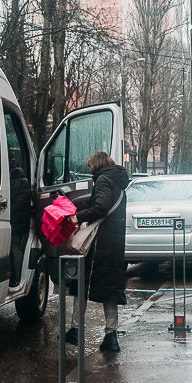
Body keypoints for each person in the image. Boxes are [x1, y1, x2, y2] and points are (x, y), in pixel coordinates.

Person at [64, 151, 129, 352]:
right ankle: (111, 335)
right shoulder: (118, 181)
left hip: (99, 243)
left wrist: (78, 216)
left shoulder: (103, 180)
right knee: (110, 289)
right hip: (114, 243)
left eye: (90, 165)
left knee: (81, 284)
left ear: (96, 165)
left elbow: (100, 207)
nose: (89, 169)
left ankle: (76, 330)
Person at [8, 160, 34, 281]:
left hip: (15, 224)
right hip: (14, 222)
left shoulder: (18, 181)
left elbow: (18, 207)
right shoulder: (20, 180)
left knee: (14, 250)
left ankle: (15, 277)